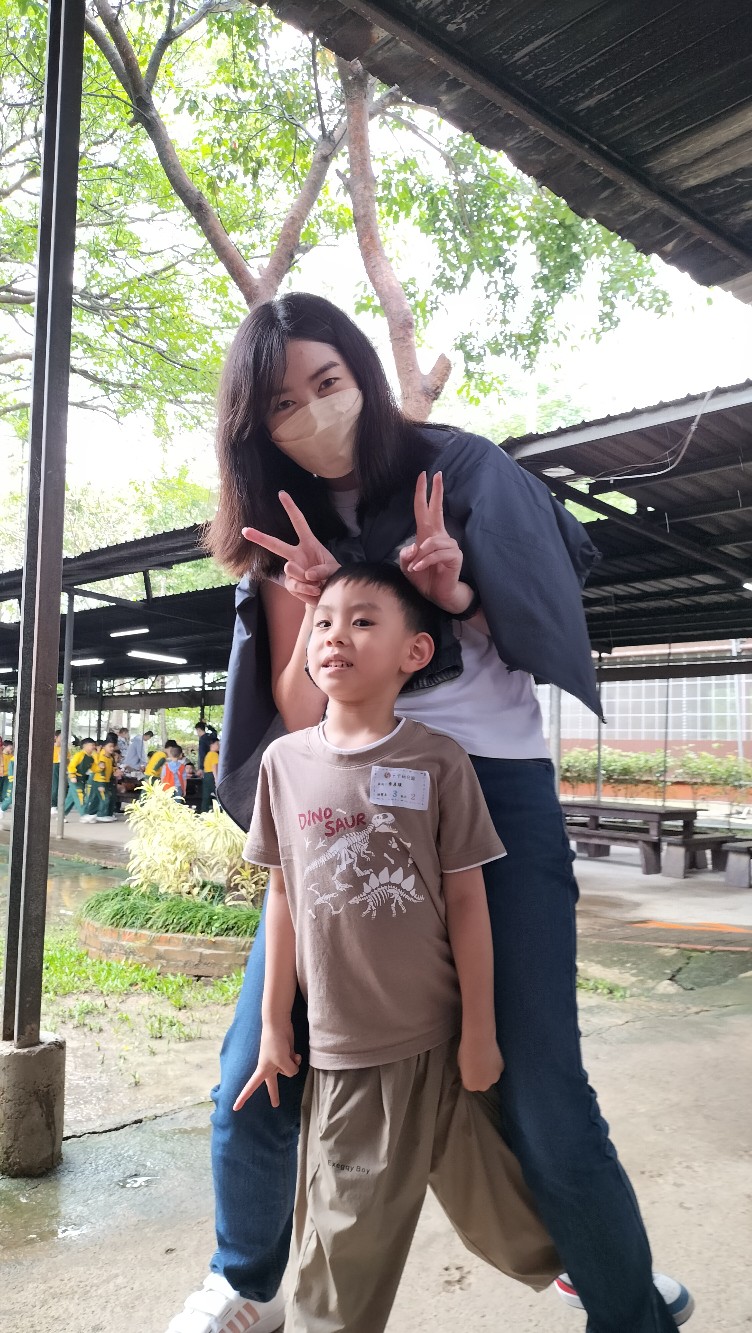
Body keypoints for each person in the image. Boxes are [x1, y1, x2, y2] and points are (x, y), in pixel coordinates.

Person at [166, 294, 692, 1333]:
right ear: (256, 429)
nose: (314, 411)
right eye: (283, 404)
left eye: (327, 381)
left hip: (489, 781)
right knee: (258, 1062)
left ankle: (622, 1301)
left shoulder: (461, 470)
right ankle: (244, 1281)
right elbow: (298, 714)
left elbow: (543, 618)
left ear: (362, 371)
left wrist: (454, 596)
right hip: (351, 794)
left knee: (538, 1083)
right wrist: (319, 609)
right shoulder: (281, 529)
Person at [235, 562, 560, 1331]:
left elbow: (467, 901)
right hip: (348, 1057)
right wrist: (275, 1024)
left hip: (443, 1047)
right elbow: (281, 896)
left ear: (415, 652)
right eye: (322, 621)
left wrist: (479, 1034)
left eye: (361, 620)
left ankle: (599, 1271)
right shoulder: (284, 764)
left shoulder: (438, 760)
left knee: (510, 1210)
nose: (334, 635)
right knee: (342, 1250)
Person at [80, 739, 121, 823]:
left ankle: (90, 814)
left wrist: (115, 770)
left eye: (113, 746)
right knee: (105, 798)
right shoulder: (101, 757)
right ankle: (101, 815)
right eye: (110, 746)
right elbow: (101, 770)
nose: (112, 748)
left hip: (104, 781)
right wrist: (101, 784)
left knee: (96, 799)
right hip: (99, 781)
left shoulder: (110, 757)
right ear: (104, 747)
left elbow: (111, 767)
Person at [66, 738, 97, 816]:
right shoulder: (79, 755)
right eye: (92, 745)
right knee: (80, 795)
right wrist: (72, 775)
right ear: (85, 746)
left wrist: (96, 757)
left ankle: (61, 814)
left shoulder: (92, 757)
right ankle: (84, 814)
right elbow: (71, 766)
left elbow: (94, 768)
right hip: (75, 778)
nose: (94, 747)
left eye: (94, 745)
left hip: (81, 779)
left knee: (71, 798)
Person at [200, 737, 220, 812]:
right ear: (211, 745)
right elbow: (214, 767)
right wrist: (216, 778)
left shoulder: (208, 754)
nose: (219, 746)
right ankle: (221, 810)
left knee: (206, 795)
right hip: (212, 775)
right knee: (218, 794)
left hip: (206, 775)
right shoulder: (214, 754)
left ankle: (203, 811)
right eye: (217, 744)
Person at [0, 740, 14, 818]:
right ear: (4, 747)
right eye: (10, 748)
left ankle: (3, 805)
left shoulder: (11, 756)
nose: (11, 750)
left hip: (7, 776)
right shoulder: (1, 755)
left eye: (12, 748)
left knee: (5, 791)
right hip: (1, 775)